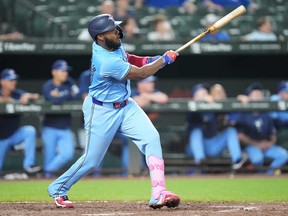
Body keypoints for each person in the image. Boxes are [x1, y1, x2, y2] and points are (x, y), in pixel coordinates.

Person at [47, 14, 180, 209]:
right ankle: (58, 188)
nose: (117, 32)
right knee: (92, 161)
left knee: (151, 137)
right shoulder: (105, 60)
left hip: (126, 105)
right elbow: (141, 74)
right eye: (112, 29)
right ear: (100, 36)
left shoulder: (112, 44)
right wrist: (164, 61)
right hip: (101, 110)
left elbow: (131, 59)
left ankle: (159, 193)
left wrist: (155, 59)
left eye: (116, 28)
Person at [78, 68, 130, 177]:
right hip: (97, 118)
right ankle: (86, 176)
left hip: (114, 119)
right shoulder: (87, 75)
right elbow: (85, 96)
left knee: (129, 138)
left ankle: (128, 174)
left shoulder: (117, 73)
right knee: (93, 149)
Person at [186, 83, 246, 171]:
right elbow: (190, 117)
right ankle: (200, 161)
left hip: (212, 146)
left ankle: (237, 161)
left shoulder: (213, 107)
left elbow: (229, 111)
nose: (204, 96)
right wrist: (199, 102)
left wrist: (239, 100)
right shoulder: (191, 107)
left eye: (205, 93)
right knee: (196, 131)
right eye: (200, 93)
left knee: (230, 131)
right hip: (194, 148)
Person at [236, 82, 288, 175]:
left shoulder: (266, 113)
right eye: (255, 94)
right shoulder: (243, 113)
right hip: (251, 146)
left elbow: (273, 134)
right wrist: (257, 144)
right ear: (249, 97)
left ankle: (268, 175)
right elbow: (240, 136)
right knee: (257, 159)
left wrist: (269, 143)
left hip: (266, 145)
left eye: (259, 94)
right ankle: (259, 176)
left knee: (283, 155)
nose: (258, 96)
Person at [41, 60, 80, 178]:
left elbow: (78, 96)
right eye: (62, 71)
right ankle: (45, 182)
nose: (65, 73)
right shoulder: (48, 85)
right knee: (49, 157)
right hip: (49, 127)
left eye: (66, 71)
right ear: (54, 72)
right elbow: (53, 100)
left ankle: (46, 173)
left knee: (68, 154)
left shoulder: (70, 83)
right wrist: (68, 95)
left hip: (65, 127)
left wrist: (62, 95)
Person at [0, 68, 41, 176]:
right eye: (10, 80)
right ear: (2, 81)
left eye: (14, 80)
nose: (14, 82)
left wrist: (29, 96)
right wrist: (14, 101)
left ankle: (29, 165)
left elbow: (38, 97)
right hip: (1, 140)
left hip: (13, 135)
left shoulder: (17, 94)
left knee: (29, 131)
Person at [270, 80, 288, 150]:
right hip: (276, 130)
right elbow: (274, 118)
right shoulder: (274, 99)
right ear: (280, 93)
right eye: (287, 92)